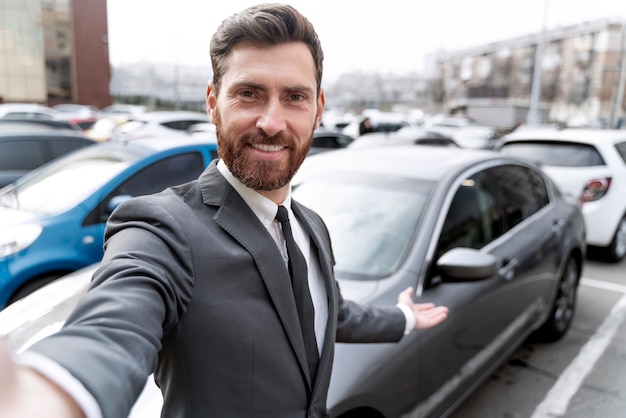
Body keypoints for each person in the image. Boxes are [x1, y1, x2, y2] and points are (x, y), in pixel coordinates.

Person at [0, 4, 448, 417]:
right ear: (213, 102)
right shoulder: (162, 227)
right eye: (249, 94)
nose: (272, 122)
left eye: (294, 97)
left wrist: (405, 317)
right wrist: (54, 390)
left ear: (318, 109)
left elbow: (331, 311)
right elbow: (114, 322)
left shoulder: (312, 228)